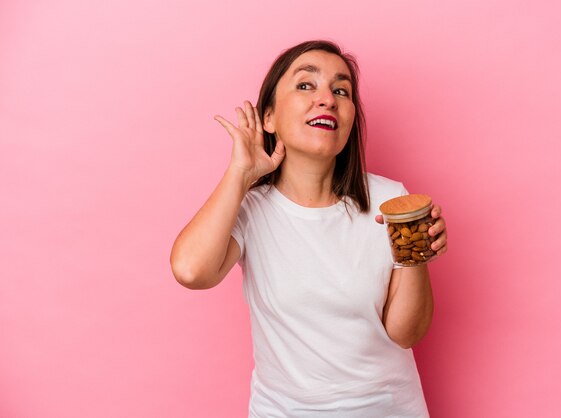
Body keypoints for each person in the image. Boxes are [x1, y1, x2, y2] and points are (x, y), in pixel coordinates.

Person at [170, 40, 448, 418]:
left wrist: (415, 252)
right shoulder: (250, 208)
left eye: (341, 90)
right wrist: (240, 173)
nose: (327, 100)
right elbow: (191, 271)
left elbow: (406, 333)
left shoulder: (391, 201)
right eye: (305, 85)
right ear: (268, 118)